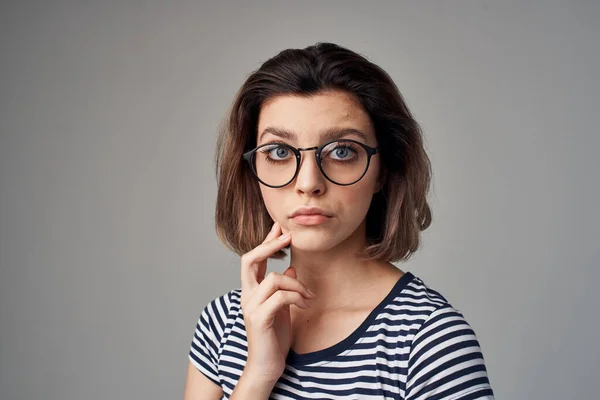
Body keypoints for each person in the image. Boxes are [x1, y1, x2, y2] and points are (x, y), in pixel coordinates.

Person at [183, 42, 495, 400]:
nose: (308, 183)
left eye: (342, 151)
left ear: (383, 171)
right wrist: (258, 375)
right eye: (279, 152)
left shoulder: (428, 340)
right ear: (252, 169)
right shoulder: (223, 324)